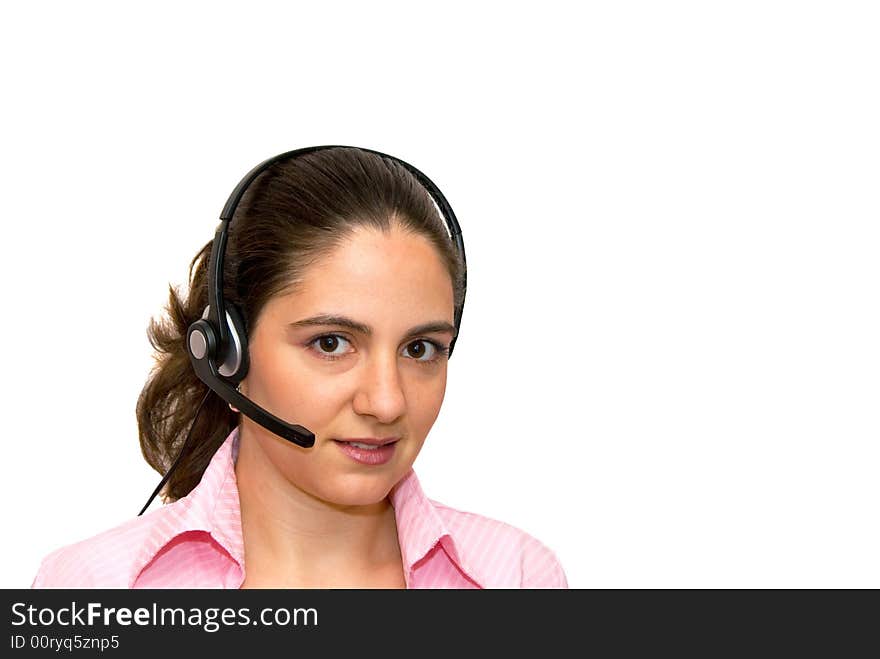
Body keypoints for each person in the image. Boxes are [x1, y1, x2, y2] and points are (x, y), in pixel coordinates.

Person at [31, 146, 567, 589]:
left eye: (420, 349)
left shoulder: (517, 578)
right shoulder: (94, 587)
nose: (387, 402)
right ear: (228, 350)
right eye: (331, 343)